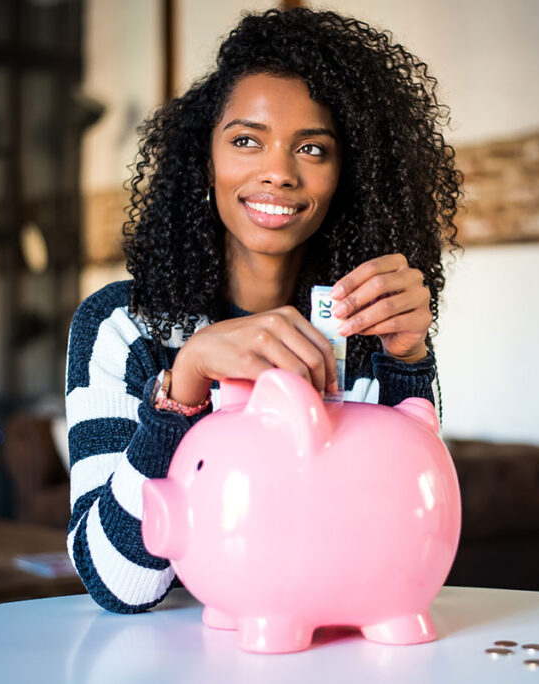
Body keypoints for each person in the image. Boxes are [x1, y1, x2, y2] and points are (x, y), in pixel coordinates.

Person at [65, 7, 461, 613]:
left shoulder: (358, 325)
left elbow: (394, 542)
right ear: (206, 160)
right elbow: (118, 585)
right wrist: (185, 379)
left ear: (345, 174)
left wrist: (407, 359)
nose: (278, 173)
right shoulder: (124, 325)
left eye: (312, 148)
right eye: (247, 140)